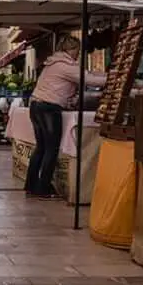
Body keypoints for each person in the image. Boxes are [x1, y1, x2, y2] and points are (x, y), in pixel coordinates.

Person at [25, 35, 106, 199]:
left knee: (41, 147)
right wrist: (113, 78)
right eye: (77, 50)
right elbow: (89, 79)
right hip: (48, 107)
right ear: (71, 49)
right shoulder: (65, 65)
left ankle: (31, 185)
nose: (78, 54)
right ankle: (43, 188)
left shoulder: (53, 63)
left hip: (36, 105)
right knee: (51, 148)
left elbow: (86, 74)